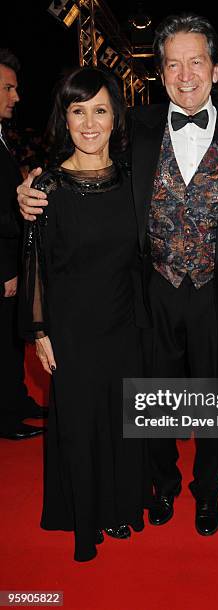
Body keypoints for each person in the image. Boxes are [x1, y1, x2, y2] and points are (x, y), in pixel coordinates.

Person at [17, 13, 218, 536]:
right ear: (160, 72)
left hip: (217, 293)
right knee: (156, 399)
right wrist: (32, 187)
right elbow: (82, 161)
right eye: (174, 64)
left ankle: (207, 492)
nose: (185, 75)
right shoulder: (137, 129)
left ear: (217, 70)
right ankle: (162, 485)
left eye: (197, 63)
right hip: (151, 294)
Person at [18, 67, 152, 562]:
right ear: (65, 118)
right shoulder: (45, 187)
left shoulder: (133, 179)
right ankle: (85, 517)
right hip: (71, 327)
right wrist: (40, 332)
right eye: (79, 111)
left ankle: (119, 507)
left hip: (124, 322)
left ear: (116, 117)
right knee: (79, 421)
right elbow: (33, 263)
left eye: (100, 110)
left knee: (120, 418)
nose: (90, 123)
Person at [0, 48, 45, 440]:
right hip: (2, 265)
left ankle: (16, 400)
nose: (16, 97)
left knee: (13, 342)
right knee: (3, 344)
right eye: (8, 88)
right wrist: (6, 270)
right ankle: (5, 415)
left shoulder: (1, 135)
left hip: (9, 256)